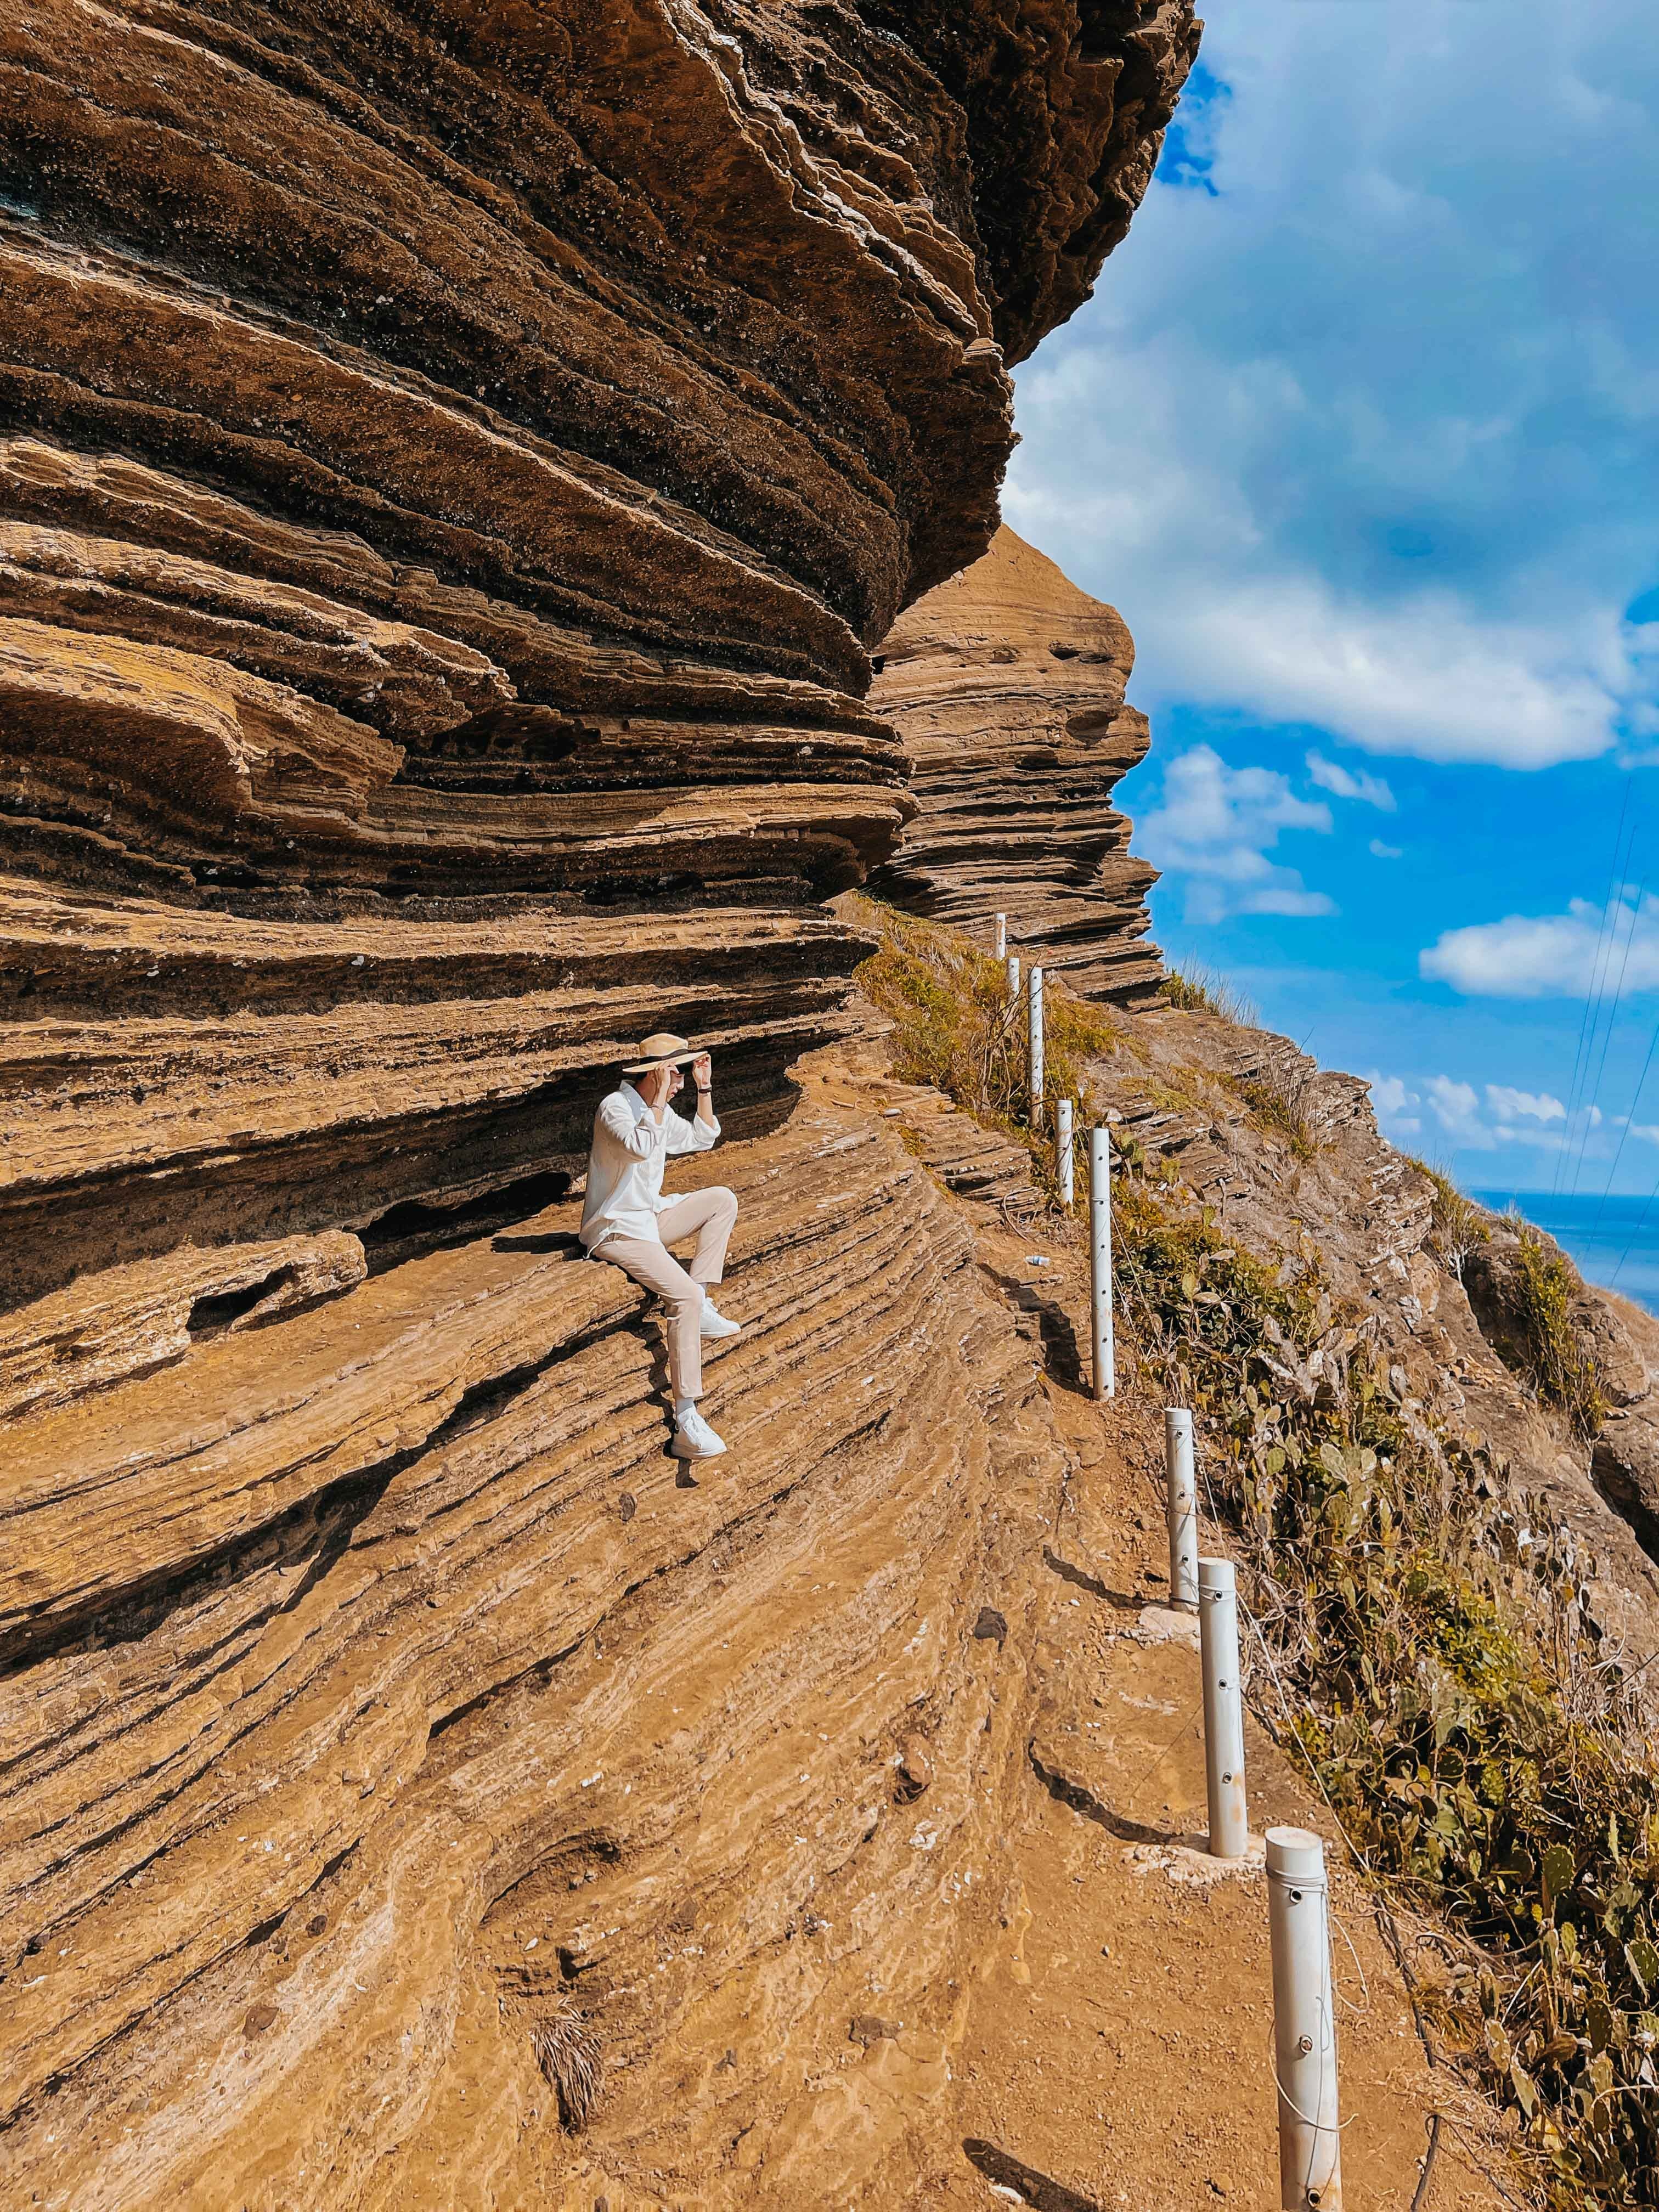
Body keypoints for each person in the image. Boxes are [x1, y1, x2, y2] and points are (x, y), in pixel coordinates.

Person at [580, 1032, 740, 1459]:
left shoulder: (660, 1110)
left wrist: (705, 1087)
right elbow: (638, 1147)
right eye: (676, 1072)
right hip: (618, 1229)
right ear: (654, 1073)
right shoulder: (615, 1107)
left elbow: (702, 1137)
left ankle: (701, 1301)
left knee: (722, 1200)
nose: (680, 1083)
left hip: (649, 1219)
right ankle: (687, 1419)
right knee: (681, 1297)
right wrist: (656, 1105)